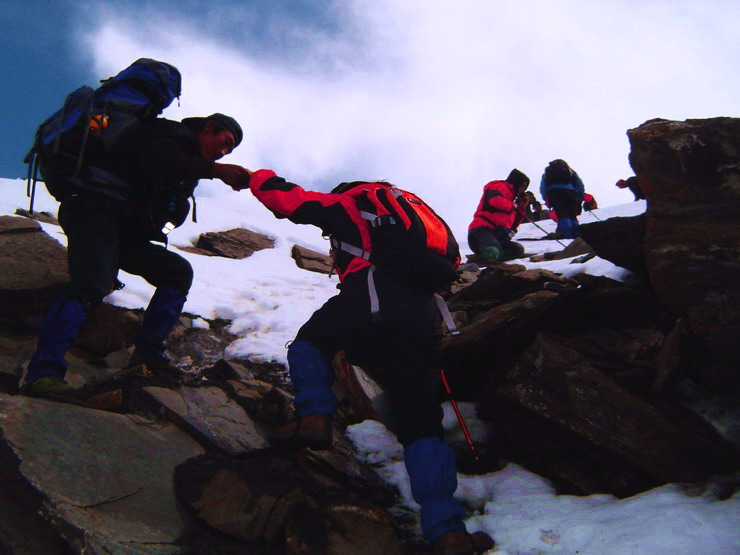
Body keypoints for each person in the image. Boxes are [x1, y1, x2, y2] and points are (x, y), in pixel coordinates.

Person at [247, 168, 495, 555]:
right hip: (423, 312)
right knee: (420, 419)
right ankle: (448, 532)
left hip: (374, 293)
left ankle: (313, 418)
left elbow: (289, 200)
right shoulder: (410, 214)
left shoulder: (351, 202)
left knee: (310, 344)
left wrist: (254, 176)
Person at [25, 113, 251, 398]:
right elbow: (158, 163)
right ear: (209, 127)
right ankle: (42, 374)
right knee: (91, 284)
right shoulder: (170, 134)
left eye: (230, 150)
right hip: (94, 211)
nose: (224, 151)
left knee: (177, 272)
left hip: (122, 230)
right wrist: (216, 171)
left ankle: (148, 355)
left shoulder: (186, 161)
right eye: (225, 142)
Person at [467, 169, 530, 262]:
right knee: (492, 250)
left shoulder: (511, 202)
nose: (522, 190)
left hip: (497, 237)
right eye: (522, 186)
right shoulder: (499, 186)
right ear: (517, 182)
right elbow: (494, 200)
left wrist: (521, 208)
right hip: (481, 231)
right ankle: (487, 257)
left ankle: (485, 258)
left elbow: (513, 226)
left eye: (525, 188)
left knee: (517, 250)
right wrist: (513, 206)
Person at [539, 159, 585, 238]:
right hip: (571, 192)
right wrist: (580, 196)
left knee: (562, 214)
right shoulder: (570, 171)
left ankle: (567, 235)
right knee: (572, 215)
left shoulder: (547, 173)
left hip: (555, 193)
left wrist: (546, 199)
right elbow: (579, 184)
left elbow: (543, 187)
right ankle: (576, 235)